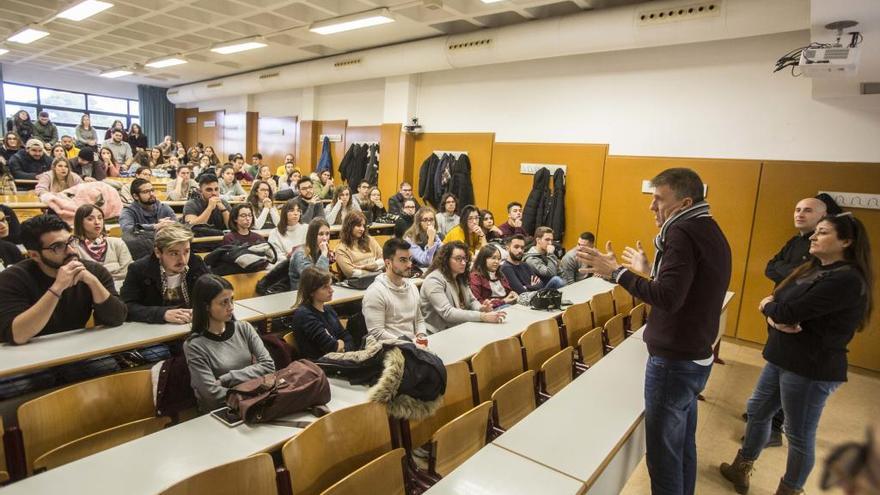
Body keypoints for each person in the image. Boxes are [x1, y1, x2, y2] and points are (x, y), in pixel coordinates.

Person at [579, 168, 731, 495]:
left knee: (663, 457)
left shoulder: (681, 233)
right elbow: (690, 287)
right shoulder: (709, 228)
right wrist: (650, 272)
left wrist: (617, 272)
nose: (652, 208)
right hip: (696, 354)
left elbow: (668, 298)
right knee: (681, 447)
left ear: (684, 201)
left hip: (674, 362)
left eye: (659, 200)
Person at [720, 213, 872, 495]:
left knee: (799, 435)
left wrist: (772, 309)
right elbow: (779, 304)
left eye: (823, 232)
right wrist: (774, 315)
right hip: (782, 356)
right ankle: (741, 467)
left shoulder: (847, 279)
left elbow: (785, 309)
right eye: (815, 232)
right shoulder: (813, 268)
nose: (813, 237)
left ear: (847, 241)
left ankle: (789, 490)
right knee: (758, 412)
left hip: (810, 367)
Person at [742, 195, 843, 448]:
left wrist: (791, 273)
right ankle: (764, 416)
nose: (799, 214)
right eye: (797, 209)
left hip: (797, 323)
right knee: (774, 376)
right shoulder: (795, 241)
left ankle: (775, 428)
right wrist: (795, 272)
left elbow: (810, 278)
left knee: (790, 380)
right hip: (779, 312)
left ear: (823, 216)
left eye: (807, 211)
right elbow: (770, 267)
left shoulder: (823, 251)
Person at [0, 214, 127, 344]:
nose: (71, 250)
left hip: (80, 349)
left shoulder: (93, 271)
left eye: (71, 241)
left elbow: (117, 319)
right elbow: (17, 335)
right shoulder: (12, 279)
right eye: (58, 247)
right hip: (29, 357)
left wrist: (93, 282)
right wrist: (57, 288)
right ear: (35, 255)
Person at [183, 274, 275, 412]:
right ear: (206, 306)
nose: (231, 307)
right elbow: (212, 395)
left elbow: (269, 366)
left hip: (255, 403)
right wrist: (252, 389)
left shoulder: (244, 328)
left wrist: (227, 379)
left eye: (232, 300)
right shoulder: (194, 346)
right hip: (222, 412)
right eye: (223, 302)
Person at [121, 224, 209, 324]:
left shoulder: (196, 263)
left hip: (191, 326)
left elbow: (214, 292)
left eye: (186, 252)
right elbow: (126, 306)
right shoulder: (139, 269)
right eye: (174, 253)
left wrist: (202, 309)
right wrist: (162, 314)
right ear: (158, 252)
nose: (183, 260)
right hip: (156, 330)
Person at [420, 241, 506, 333]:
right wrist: (482, 316)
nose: (463, 263)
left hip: (460, 327)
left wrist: (481, 308)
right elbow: (447, 313)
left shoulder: (460, 276)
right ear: (446, 259)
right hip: (439, 332)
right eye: (458, 259)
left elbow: (472, 301)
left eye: (465, 259)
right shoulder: (433, 280)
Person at [362, 238, 427, 341]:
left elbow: (419, 320)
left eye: (409, 259)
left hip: (413, 346)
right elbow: (377, 333)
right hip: (390, 349)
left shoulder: (412, 287)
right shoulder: (375, 292)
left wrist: (421, 336)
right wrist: (408, 344)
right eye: (403, 260)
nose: (409, 264)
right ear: (388, 263)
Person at [291, 267, 355, 359]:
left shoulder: (328, 309)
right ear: (311, 292)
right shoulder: (304, 315)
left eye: (330, 285)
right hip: (320, 367)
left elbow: (347, 337)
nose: (331, 290)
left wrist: (343, 348)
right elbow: (332, 347)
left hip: (339, 361)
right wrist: (339, 345)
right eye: (325, 287)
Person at [72, 204, 132, 281]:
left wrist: (98, 277)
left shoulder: (117, 243)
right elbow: (79, 276)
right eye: (90, 219)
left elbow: (127, 272)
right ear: (80, 222)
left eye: (100, 218)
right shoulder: (73, 247)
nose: (97, 222)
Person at [500, 234, 565, 294]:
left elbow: (541, 284)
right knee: (557, 280)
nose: (520, 250)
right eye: (516, 247)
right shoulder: (506, 268)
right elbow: (521, 291)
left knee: (556, 280)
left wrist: (528, 287)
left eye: (522, 248)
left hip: (537, 294)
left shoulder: (524, 265)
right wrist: (532, 286)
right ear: (507, 248)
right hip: (525, 301)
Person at [335, 211, 382, 280]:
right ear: (349, 226)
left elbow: (385, 260)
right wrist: (376, 271)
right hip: (356, 286)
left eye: (363, 226)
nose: (362, 229)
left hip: (377, 281)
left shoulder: (370, 240)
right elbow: (351, 273)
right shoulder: (341, 249)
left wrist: (367, 267)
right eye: (358, 225)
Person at [289, 218, 332, 290]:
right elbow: (316, 280)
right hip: (301, 295)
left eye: (327, 234)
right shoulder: (300, 254)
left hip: (318, 292)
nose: (325, 238)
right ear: (312, 235)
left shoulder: (321, 251)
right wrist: (324, 254)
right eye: (321, 234)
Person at [268, 200, 306, 267]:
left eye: (298, 210)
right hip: (284, 266)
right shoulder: (274, 233)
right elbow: (275, 254)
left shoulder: (307, 228)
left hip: (304, 265)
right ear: (284, 213)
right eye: (291, 210)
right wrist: (291, 259)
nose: (296, 213)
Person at [405, 206, 442, 271]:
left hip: (432, 270)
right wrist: (430, 240)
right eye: (425, 220)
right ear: (419, 223)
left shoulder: (434, 235)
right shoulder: (410, 239)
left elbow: (444, 251)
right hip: (416, 272)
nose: (429, 223)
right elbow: (425, 261)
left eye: (431, 219)